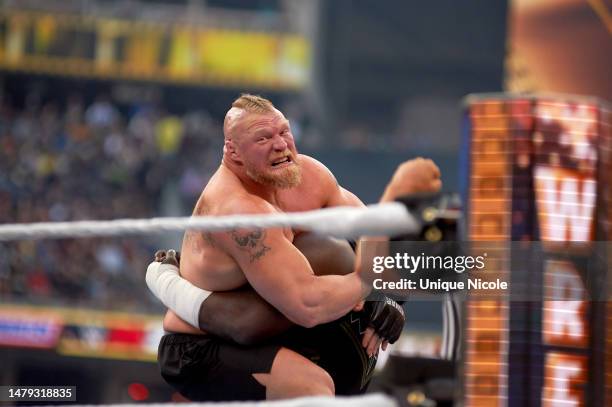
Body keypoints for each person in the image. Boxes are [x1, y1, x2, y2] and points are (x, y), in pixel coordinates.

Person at [150, 94, 442, 401]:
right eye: (263, 138)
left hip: (276, 325)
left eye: (284, 131)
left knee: (329, 252)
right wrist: (367, 284)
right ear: (232, 151)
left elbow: (380, 237)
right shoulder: (238, 210)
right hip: (203, 346)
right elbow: (308, 306)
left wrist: (392, 298)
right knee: (309, 385)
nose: (280, 144)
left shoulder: (309, 177)